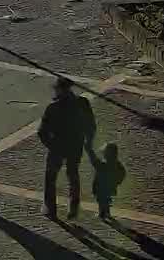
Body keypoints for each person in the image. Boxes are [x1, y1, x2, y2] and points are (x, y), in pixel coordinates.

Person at [37, 75, 96, 219]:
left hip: (57, 145)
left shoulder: (53, 107)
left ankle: (50, 208)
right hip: (75, 145)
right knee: (73, 175)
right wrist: (88, 142)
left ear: (59, 90)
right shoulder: (82, 103)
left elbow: (42, 131)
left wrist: (51, 145)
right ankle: (73, 208)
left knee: (50, 177)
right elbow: (91, 125)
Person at [91, 141, 125, 221]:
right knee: (106, 200)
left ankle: (102, 214)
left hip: (100, 187)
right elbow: (122, 173)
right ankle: (107, 213)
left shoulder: (103, 164)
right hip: (110, 186)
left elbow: (95, 163)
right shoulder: (117, 164)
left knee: (101, 200)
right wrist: (117, 182)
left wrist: (90, 151)